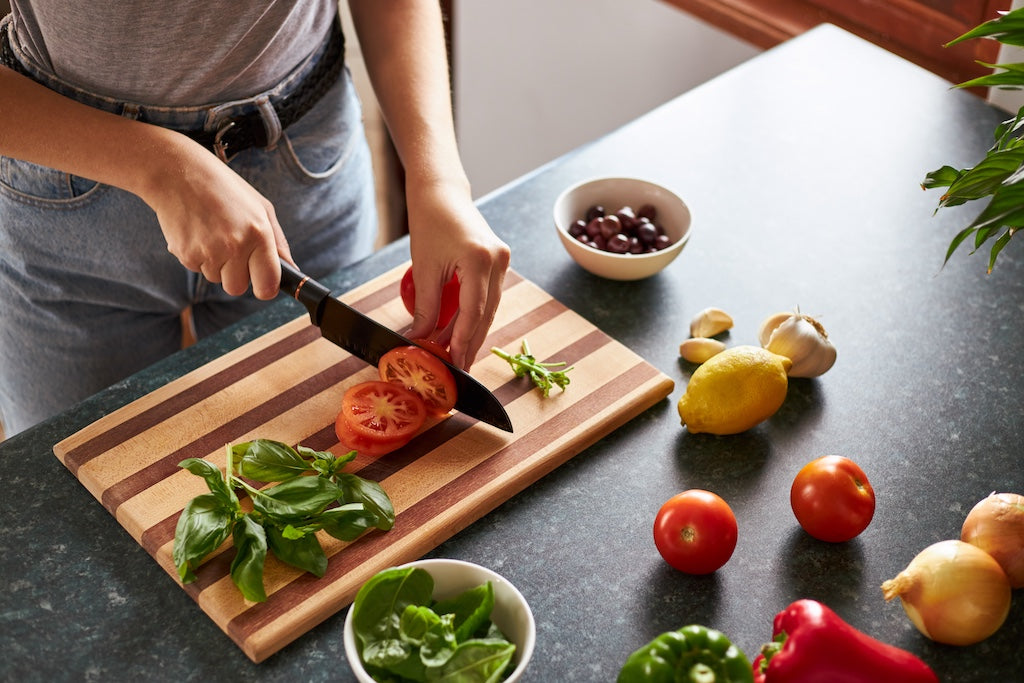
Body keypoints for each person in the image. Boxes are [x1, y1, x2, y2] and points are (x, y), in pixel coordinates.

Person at [0, 1, 511, 437]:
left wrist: (438, 182)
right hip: (65, 195)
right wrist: (160, 167)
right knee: (73, 483)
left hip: (305, 175)